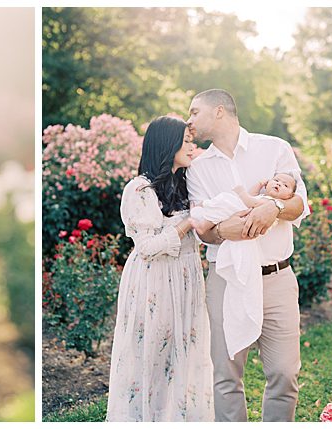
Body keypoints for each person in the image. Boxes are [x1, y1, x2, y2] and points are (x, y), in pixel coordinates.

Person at [185, 89, 309, 422]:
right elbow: (203, 228)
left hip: (276, 278)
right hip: (225, 280)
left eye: (195, 111)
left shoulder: (275, 149)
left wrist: (274, 207)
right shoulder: (197, 169)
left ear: (220, 111)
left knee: (284, 374)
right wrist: (226, 231)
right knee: (226, 377)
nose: (190, 120)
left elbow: (299, 204)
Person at [106, 115, 215, 422]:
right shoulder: (140, 190)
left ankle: (178, 418)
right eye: (187, 140)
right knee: (154, 352)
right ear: (169, 144)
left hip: (186, 276)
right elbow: (147, 248)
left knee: (185, 351)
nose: (192, 146)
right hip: (154, 280)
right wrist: (185, 226)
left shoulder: (187, 182)